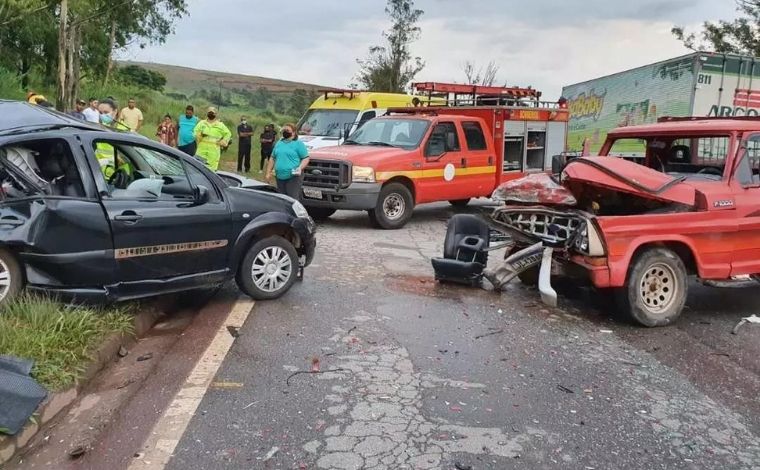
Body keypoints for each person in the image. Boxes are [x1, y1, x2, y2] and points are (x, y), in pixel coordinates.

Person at [266, 123, 310, 199]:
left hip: (293, 175)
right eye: (284, 130)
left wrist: (300, 167)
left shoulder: (298, 144)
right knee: (282, 198)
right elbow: (272, 158)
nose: (285, 132)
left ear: (293, 132)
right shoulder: (279, 143)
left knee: (291, 198)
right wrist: (268, 172)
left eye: (287, 130)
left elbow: (305, 158)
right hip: (279, 176)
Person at [194, 106, 231, 171]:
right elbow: (195, 132)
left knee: (211, 171)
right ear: (207, 113)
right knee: (198, 169)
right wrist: (200, 135)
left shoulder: (220, 125)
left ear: (216, 114)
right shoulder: (202, 123)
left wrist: (223, 142)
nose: (211, 114)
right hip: (201, 151)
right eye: (209, 112)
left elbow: (228, 134)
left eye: (212, 113)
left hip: (214, 152)